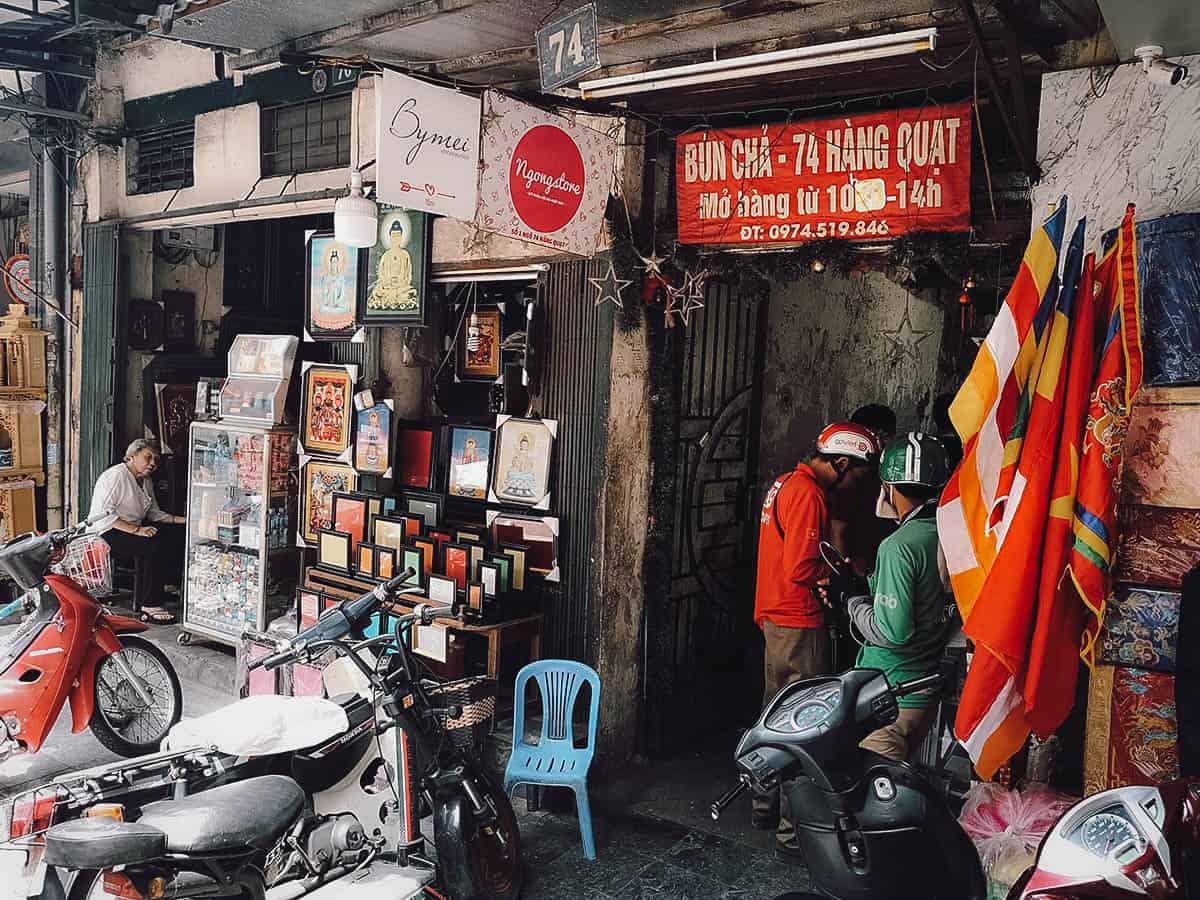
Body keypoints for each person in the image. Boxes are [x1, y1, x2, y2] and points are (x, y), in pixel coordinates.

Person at [753, 421, 881, 839]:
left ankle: (763, 806)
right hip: (798, 623)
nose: (858, 486)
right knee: (805, 726)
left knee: (774, 717)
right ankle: (794, 830)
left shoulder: (785, 483)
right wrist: (842, 575)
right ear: (842, 463)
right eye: (859, 476)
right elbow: (802, 566)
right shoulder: (809, 493)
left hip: (775, 616)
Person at [847, 432, 954, 762]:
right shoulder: (947, 530)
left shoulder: (899, 546)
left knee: (875, 800)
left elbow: (894, 632)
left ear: (890, 487)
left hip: (892, 694)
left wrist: (850, 600)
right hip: (924, 690)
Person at [88, 438, 185, 623]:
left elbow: (154, 513)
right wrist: (136, 530)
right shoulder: (116, 476)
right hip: (107, 531)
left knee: (175, 536)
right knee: (152, 546)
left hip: (132, 528)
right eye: (148, 457)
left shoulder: (145, 481)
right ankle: (149, 603)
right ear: (131, 457)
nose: (152, 463)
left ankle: (165, 586)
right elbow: (103, 515)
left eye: (156, 459)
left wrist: (182, 521)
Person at [829, 403, 898, 575]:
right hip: (859, 569)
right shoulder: (849, 477)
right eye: (878, 436)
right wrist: (845, 576)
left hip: (886, 565)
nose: (881, 444)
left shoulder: (890, 472)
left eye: (887, 436)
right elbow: (838, 528)